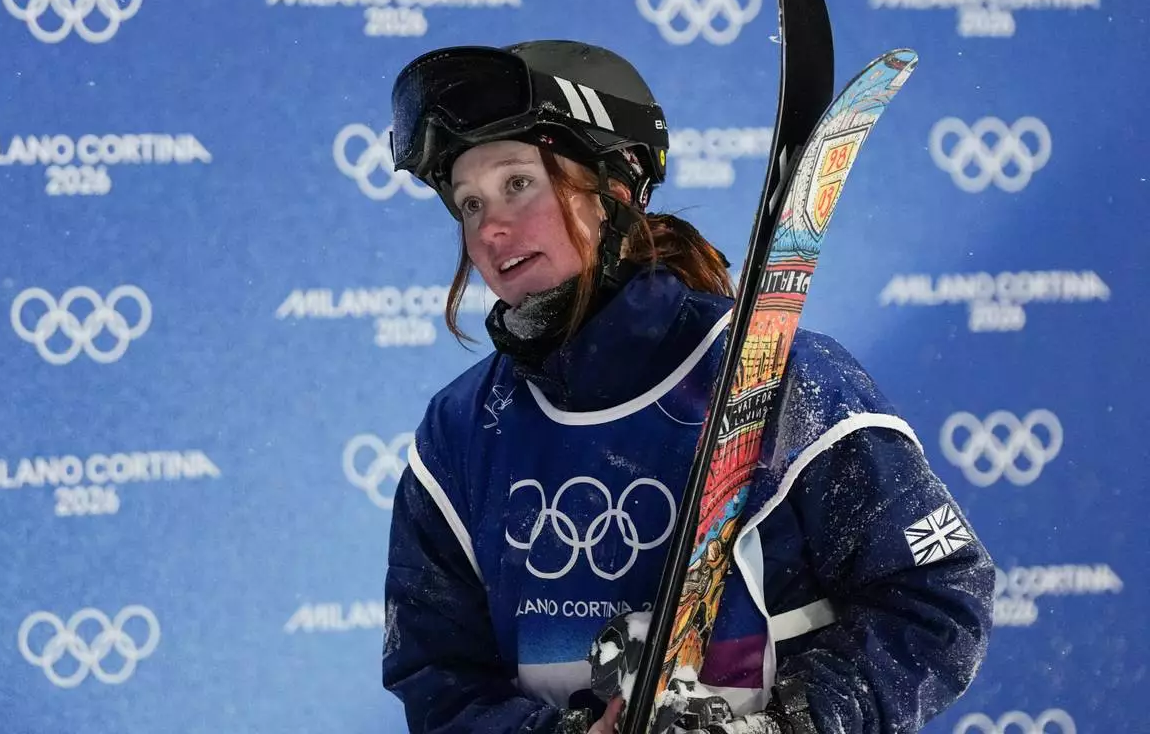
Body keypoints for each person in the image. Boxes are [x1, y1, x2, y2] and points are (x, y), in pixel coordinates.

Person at [380, 39, 994, 734]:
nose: (489, 227)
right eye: (467, 203)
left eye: (519, 183)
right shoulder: (463, 430)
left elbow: (935, 599)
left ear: (614, 190)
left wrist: (794, 722)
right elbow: (437, 674)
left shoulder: (786, 382)